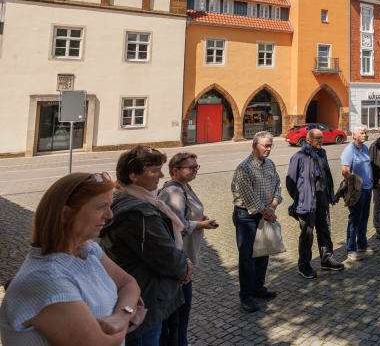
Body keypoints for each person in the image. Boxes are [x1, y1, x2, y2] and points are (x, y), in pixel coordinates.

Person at [0, 173, 141, 346]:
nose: (109, 215)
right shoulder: (48, 278)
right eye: (101, 207)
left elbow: (129, 284)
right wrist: (129, 317)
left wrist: (122, 315)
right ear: (65, 214)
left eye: (109, 206)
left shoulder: (87, 250)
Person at [100, 146, 193, 345]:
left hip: (138, 294)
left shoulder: (123, 198)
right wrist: (185, 263)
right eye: (155, 170)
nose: (161, 175)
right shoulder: (139, 213)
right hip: (145, 300)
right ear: (133, 175)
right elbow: (166, 256)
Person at [158, 153, 217, 346]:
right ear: (175, 171)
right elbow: (176, 226)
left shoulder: (185, 187)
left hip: (185, 257)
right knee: (178, 313)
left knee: (181, 312)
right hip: (178, 259)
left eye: (196, 167)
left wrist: (200, 219)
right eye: (190, 167)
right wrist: (201, 225)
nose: (195, 171)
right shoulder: (172, 193)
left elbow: (187, 215)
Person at [231, 132, 282, 313]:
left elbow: (278, 185)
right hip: (246, 216)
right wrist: (267, 212)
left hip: (265, 214)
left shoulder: (270, 164)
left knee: (263, 253)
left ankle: (258, 287)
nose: (268, 149)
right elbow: (248, 196)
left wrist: (275, 203)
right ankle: (246, 296)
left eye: (270, 146)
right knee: (247, 257)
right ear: (254, 146)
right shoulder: (244, 168)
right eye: (265, 146)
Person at [287, 129, 345, 278]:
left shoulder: (322, 153)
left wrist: (330, 193)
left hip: (322, 198)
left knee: (325, 229)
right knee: (307, 234)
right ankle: (304, 265)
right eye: (317, 138)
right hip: (307, 201)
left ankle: (326, 259)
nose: (320, 140)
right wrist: (300, 198)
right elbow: (290, 182)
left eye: (322, 138)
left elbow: (327, 176)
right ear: (308, 140)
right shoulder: (299, 157)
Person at [341, 125, 375, 261]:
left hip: (368, 188)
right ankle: (351, 248)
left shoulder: (365, 148)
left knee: (364, 217)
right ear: (354, 135)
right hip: (357, 191)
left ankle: (362, 243)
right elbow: (345, 171)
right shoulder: (349, 150)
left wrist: (371, 180)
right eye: (361, 133)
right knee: (354, 219)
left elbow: (368, 166)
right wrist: (355, 185)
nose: (364, 135)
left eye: (365, 132)